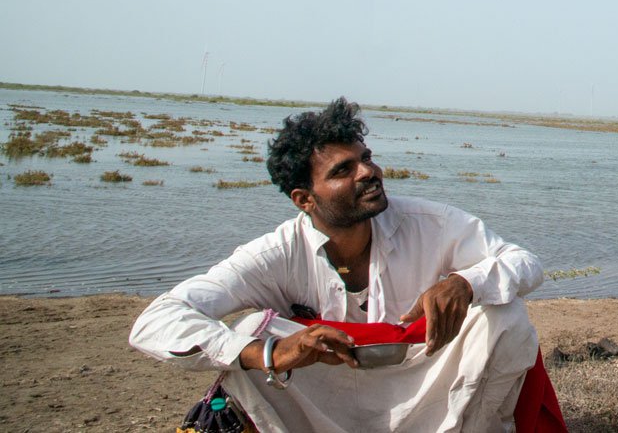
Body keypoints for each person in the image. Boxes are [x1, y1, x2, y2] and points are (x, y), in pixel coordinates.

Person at [130, 97, 543, 433]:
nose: (369, 172)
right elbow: (155, 322)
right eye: (344, 170)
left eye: (366, 158)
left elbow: (524, 262)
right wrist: (270, 352)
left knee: (504, 315)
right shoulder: (276, 253)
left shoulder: (430, 223)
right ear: (304, 199)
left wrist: (463, 283)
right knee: (248, 336)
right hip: (322, 402)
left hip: (425, 386)